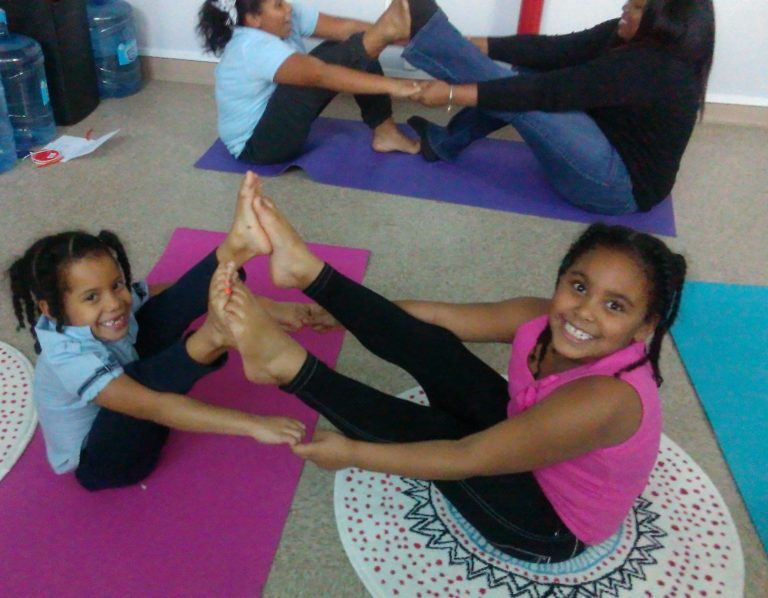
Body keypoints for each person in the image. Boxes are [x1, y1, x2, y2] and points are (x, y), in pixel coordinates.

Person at [210, 193, 686, 563]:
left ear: (646, 328)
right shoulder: (542, 318)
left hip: (547, 526)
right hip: (535, 446)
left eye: (615, 306)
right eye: (579, 286)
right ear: (560, 279)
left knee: (438, 431)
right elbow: (436, 317)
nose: (584, 312)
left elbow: (467, 456)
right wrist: (339, 305)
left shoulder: (606, 399)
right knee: (440, 350)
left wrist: (353, 454)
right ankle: (305, 269)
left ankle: (284, 366)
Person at [7, 173, 309, 491]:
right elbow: (155, 406)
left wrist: (264, 305)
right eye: (91, 297)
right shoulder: (67, 359)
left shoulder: (98, 313)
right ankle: (212, 339)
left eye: (117, 284)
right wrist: (253, 425)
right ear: (50, 309)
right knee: (138, 371)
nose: (113, 303)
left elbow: (167, 294)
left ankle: (236, 248)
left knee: (153, 311)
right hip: (111, 462)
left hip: (146, 412)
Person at [401, 0, 715, 215]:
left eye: (636, 7)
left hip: (617, 189)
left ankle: (427, 30)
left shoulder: (655, 68)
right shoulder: (624, 37)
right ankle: (442, 142)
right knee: (529, 74)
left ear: (664, 23)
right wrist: (463, 42)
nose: (624, 7)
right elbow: (550, 50)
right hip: (601, 150)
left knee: (530, 97)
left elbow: (546, 93)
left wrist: (453, 93)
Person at [197, 0, 423, 164]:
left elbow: (344, 28)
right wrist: (398, 86)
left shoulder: (282, 17)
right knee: (337, 62)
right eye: (278, 5)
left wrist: (410, 40)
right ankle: (387, 31)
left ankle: (386, 134)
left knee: (353, 46)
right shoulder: (251, 46)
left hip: (277, 116)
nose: (288, 7)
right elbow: (319, 75)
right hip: (258, 146)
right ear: (254, 19)